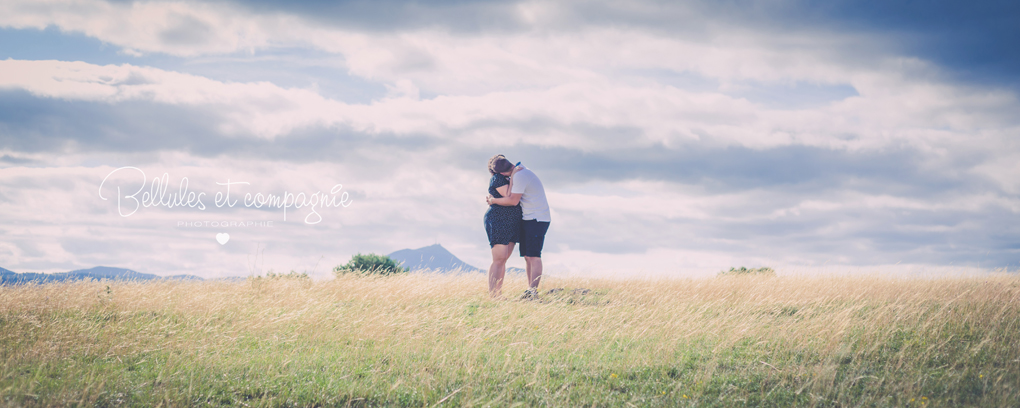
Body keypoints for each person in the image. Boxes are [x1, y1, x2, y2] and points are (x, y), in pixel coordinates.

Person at [487, 161, 550, 299]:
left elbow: (513, 200)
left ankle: (532, 292)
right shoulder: (516, 174)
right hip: (528, 218)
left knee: (533, 256)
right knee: (528, 257)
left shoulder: (520, 175)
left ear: (502, 173)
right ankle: (529, 291)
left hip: (536, 218)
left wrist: (493, 201)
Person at [483, 154, 523, 297]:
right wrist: (513, 178)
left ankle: (498, 293)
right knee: (499, 258)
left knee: (504, 259)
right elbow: (508, 195)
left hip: (512, 222)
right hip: (499, 220)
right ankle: (494, 295)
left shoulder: (507, 177)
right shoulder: (497, 179)